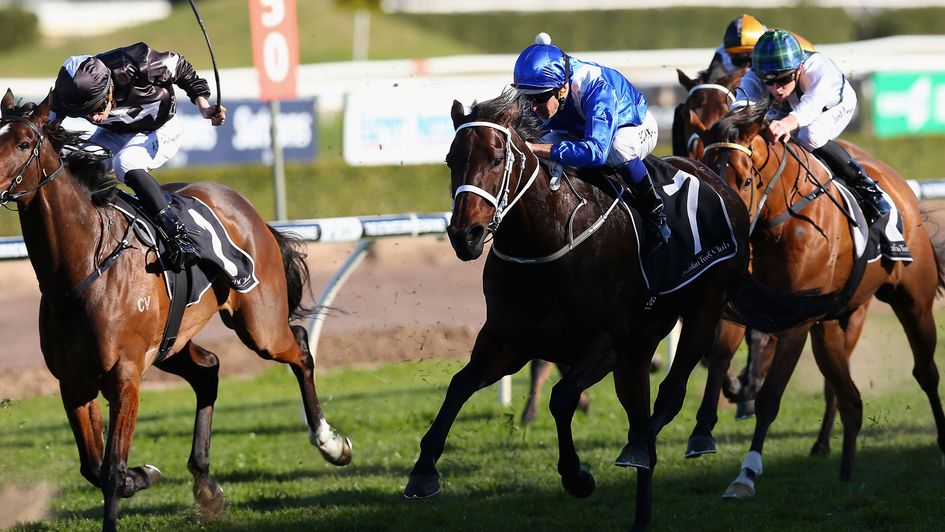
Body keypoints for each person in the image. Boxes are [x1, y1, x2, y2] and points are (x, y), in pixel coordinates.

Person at [51, 42, 227, 270]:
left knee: (125, 162)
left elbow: (182, 67)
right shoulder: (67, 95)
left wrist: (204, 106)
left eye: (98, 107)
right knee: (73, 164)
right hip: (114, 134)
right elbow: (46, 128)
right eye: (86, 113)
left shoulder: (137, 63)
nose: (94, 118)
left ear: (109, 87)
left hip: (160, 130)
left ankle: (179, 236)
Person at [512, 33, 670, 254]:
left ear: (562, 89)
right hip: (581, 129)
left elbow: (596, 152)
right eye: (528, 97)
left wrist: (535, 148)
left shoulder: (596, 87)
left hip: (632, 126)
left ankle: (655, 213)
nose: (533, 106)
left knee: (618, 149)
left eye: (539, 98)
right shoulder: (543, 88)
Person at [733, 29, 890, 225]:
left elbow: (810, 107)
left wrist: (786, 124)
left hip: (833, 104)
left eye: (783, 79)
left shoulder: (818, 70)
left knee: (810, 135)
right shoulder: (753, 76)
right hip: (792, 106)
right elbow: (740, 107)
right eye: (769, 82)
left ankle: (867, 189)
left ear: (799, 68)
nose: (776, 89)